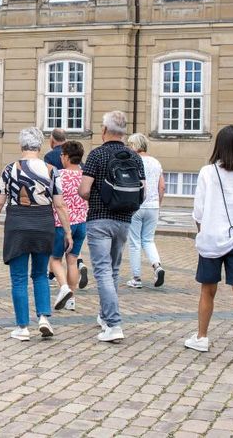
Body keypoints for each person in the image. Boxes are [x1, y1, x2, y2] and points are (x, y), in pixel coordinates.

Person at [0, 127, 73, 340]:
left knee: (18, 278)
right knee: (40, 274)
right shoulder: (52, 170)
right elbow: (60, 205)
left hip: (18, 224)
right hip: (44, 223)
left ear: (20, 145)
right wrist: (68, 232)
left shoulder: (10, 169)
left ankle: (23, 327)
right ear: (40, 145)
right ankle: (43, 317)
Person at [185, 125, 233, 364]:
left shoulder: (208, 172)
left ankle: (202, 336)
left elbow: (198, 210)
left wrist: (202, 230)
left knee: (208, 290)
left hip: (212, 237)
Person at [79, 111, 145, 343]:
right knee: (114, 270)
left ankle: (114, 324)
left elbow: (84, 190)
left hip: (99, 218)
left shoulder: (96, 155)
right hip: (124, 220)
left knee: (103, 271)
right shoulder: (135, 157)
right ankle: (106, 316)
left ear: (105, 130)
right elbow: (142, 193)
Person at [45, 128, 89, 289]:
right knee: (72, 261)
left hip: (61, 225)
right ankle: (72, 298)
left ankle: (63, 288)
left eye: (62, 155)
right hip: (81, 224)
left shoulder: (59, 175)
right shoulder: (86, 175)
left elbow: (52, 200)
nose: (61, 158)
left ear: (67, 157)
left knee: (55, 259)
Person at [126, 133, 166, 288]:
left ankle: (136, 278)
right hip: (153, 206)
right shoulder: (156, 162)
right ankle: (157, 266)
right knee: (148, 240)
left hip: (136, 206)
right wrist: (158, 203)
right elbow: (162, 186)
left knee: (135, 242)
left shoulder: (133, 161)